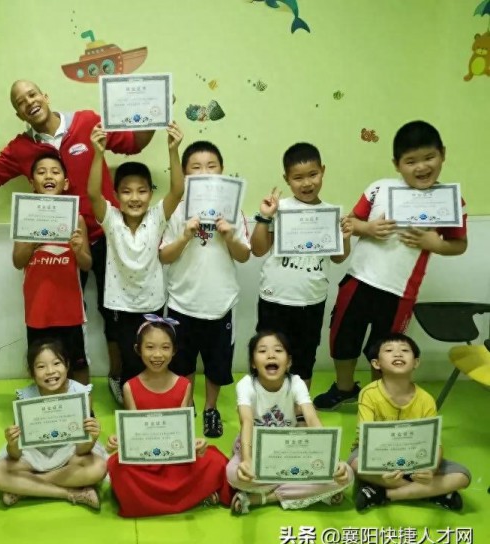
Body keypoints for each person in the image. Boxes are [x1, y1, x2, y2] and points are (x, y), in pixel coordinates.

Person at [0, 80, 155, 392]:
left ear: (45, 95)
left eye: (32, 94)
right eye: (19, 102)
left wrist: (154, 111)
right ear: (18, 113)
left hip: (107, 233)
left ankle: (119, 375)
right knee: (65, 317)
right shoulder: (20, 148)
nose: (28, 101)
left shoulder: (86, 121)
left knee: (116, 311)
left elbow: (134, 143)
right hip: (63, 246)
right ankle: (61, 391)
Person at [315, 120, 468, 410]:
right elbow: (349, 223)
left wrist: (435, 244)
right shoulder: (379, 188)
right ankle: (344, 389)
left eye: (429, 158)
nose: (421, 167)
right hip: (359, 279)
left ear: (443, 154)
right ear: (397, 164)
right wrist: (368, 228)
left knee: (386, 348)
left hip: (399, 292)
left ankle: (379, 398)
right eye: (411, 161)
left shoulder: (450, 201)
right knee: (342, 336)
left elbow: (459, 244)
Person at [159, 141, 251, 438]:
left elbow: (244, 254)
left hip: (221, 303)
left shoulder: (234, 211)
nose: (205, 172)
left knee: (216, 365)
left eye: (212, 166)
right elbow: (164, 255)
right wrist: (185, 236)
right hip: (182, 302)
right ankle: (186, 409)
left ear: (222, 171)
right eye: (195, 168)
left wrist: (230, 234)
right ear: (185, 176)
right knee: (182, 362)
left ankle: (211, 409)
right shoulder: (176, 211)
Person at [88, 122, 184, 390]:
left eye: (142, 191)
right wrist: (98, 153)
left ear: (151, 193)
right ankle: (130, 403)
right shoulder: (111, 219)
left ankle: (151, 401)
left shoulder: (156, 218)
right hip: (120, 305)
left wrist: (173, 150)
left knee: (154, 357)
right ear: (117, 195)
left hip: (151, 303)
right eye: (127, 191)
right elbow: (93, 193)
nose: (135, 197)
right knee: (129, 359)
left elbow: (177, 191)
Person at [250, 143, 353, 391]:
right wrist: (265, 217)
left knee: (305, 359)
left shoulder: (330, 214)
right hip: (275, 299)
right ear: (287, 179)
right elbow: (258, 249)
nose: (306, 183)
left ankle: (298, 412)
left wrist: (346, 236)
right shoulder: (280, 209)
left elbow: (338, 258)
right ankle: (266, 409)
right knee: (268, 357)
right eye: (298, 178)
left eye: (313, 175)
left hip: (311, 301)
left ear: (323, 171)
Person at [106, 317, 232, 517]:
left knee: (216, 460)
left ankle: (154, 502)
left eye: (165, 347)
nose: (157, 355)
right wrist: (117, 440)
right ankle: (192, 496)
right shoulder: (130, 387)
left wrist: (196, 443)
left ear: (174, 350)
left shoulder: (184, 385)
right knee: (117, 468)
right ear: (138, 350)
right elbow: (133, 434)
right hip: (146, 460)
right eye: (150, 347)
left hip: (175, 457)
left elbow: (183, 433)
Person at [226, 330, 354, 515]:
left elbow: (311, 418)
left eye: (278, 350)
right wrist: (246, 461)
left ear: (289, 362)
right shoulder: (246, 384)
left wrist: (332, 460)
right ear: (253, 363)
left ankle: (264, 497)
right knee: (233, 474)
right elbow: (246, 422)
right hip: (254, 449)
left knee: (346, 474)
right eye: (262, 351)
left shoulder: (296, 382)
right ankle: (307, 490)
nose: (270, 355)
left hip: (292, 450)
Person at [0, 339, 107, 510]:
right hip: (34, 453)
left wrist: (92, 438)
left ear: (67, 365)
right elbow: (15, 455)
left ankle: (25, 487)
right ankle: (71, 493)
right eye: (41, 367)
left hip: (69, 453)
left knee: (98, 468)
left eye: (56, 363)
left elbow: (82, 450)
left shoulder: (81, 393)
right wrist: (12, 443)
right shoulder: (24, 398)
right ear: (31, 372)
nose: (50, 371)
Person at [350, 333, 471, 511]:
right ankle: (432, 492)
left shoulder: (426, 399)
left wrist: (430, 470)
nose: (398, 354)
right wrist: (384, 465)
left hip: (416, 458)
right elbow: (365, 436)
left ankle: (383, 493)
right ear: (376, 364)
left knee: (463, 476)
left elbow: (434, 443)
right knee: (354, 464)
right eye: (389, 350)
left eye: (405, 350)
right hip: (377, 456)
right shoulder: (369, 393)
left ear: (416, 362)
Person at [12, 154, 92, 384]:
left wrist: (78, 250)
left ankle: (86, 409)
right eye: (41, 172)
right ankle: (47, 409)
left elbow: (87, 264)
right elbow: (18, 262)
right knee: (42, 362)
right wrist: (31, 242)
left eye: (55, 172)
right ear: (31, 182)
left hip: (70, 310)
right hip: (38, 310)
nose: (48, 176)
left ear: (65, 182)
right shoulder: (25, 217)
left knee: (77, 363)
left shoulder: (76, 219)